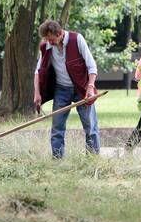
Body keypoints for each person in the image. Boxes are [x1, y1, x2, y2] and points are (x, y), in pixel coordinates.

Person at [34, 20, 100, 158]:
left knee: (90, 127)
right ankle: (57, 160)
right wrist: (37, 93)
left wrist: (90, 87)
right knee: (57, 127)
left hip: (81, 89)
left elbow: (91, 66)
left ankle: (93, 159)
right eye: (46, 39)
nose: (49, 42)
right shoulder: (46, 46)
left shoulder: (77, 39)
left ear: (59, 33)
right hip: (61, 90)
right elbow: (38, 72)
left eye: (51, 39)